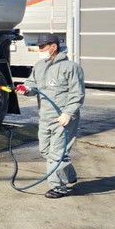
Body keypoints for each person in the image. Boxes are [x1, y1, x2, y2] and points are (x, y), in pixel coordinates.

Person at [15, 33, 85, 198]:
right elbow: (32, 84)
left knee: (56, 154)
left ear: (53, 46)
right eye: (39, 47)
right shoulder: (39, 66)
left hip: (63, 119)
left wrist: (68, 113)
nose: (40, 50)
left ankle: (58, 187)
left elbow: (77, 94)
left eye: (43, 47)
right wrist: (26, 89)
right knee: (45, 151)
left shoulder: (71, 68)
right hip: (45, 117)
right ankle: (69, 175)